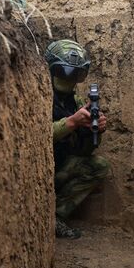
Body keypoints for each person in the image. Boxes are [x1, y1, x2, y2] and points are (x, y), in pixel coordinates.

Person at [44, 39, 110, 239]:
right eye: (65, 71)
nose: (70, 77)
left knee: (99, 165)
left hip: (61, 168)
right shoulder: (42, 96)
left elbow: (83, 152)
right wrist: (71, 122)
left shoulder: (76, 102)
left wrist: (93, 131)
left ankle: (56, 216)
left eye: (76, 73)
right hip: (40, 172)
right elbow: (38, 137)